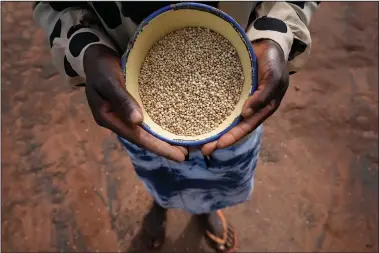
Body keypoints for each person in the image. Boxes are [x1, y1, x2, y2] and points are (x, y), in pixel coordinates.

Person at [34, 2, 319, 252]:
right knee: (155, 166)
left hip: (240, 100)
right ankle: (161, 203)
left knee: (225, 170)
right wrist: (87, 50)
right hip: (129, 91)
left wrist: (275, 35)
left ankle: (206, 209)